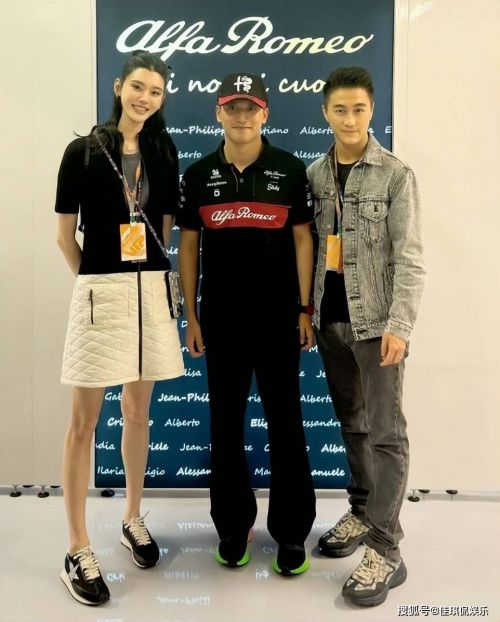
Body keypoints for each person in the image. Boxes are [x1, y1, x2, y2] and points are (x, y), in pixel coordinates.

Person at [55, 50, 184, 606]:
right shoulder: (83, 151)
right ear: (118, 86)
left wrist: (138, 283)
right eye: (138, 87)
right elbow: (65, 236)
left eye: (155, 91)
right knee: (83, 423)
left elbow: (164, 227)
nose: (145, 98)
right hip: (100, 293)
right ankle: (77, 546)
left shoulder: (162, 151)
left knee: (137, 410)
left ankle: (132, 516)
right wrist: (95, 284)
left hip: (148, 293)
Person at [177, 73, 316, 576]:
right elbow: (188, 245)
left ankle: (292, 532)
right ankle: (233, 528)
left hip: (279, 319)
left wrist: (305, 309)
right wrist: (192, 315)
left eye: (250, 108)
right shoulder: (198, 174)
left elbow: (303, 239)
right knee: (225, 424)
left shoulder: (290, 168)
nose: (241, 117)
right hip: (221, 320)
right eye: (232, 108)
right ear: (218, 113)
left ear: (265, 114)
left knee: (286, 423)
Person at [307, 67, 425, 607]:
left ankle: (386, 546)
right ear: (326, 113)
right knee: (352, 424)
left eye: (358, 109)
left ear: (372, 110)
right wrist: (308, 312)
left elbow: (411, 258)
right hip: (329, 322)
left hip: (377, 326)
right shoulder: (315, 174)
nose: (349, 119)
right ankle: (361, 510)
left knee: (386, 434)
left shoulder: (395, 175)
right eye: (340, 110)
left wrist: (400, 325)